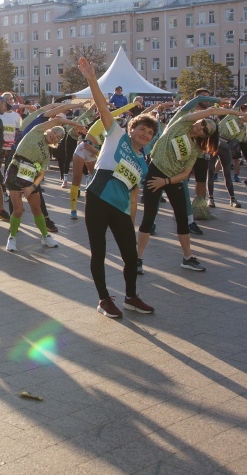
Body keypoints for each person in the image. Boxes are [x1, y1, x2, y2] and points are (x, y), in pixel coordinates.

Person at [76, 59, 158, 318]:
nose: (145, 135)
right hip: (98, 198)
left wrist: (132, 218)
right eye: (142, 130)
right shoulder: (116, 135)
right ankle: (103, 299)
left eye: (150, 134)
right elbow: (102, 108)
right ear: (132, 129)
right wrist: (91, 79)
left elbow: (134, 194)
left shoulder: (144, 164)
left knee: (130, 256)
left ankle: (131, 297)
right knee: (98, 252)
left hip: (120, 208)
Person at [137, 103, 239, 273]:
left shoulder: (196, 148)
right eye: (204, 123)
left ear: (207, 135)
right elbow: (212, 110)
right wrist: (237, 113)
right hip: (155, 173)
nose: (203, 127)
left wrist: (166, 182)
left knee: (182, 219)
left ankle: (187, 257)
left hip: (172, 180)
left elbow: (185, 173)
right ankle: (138, 259)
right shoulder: (182, 123)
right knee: (148, 217)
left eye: (206, 130)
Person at [4, 118, 80, 252]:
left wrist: (31, 187)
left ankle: (45, 236)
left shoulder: (46, 153)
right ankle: (12, 238)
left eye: (58, 137)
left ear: (57, 142)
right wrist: (74, 124)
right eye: (54, 132)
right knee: (18, 210)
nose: (54, 136)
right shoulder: (36, 131)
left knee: (37, 209)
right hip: (15, 171)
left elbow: (42, 173)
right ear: (49, 129)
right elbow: (57, 120)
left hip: (31, 178)